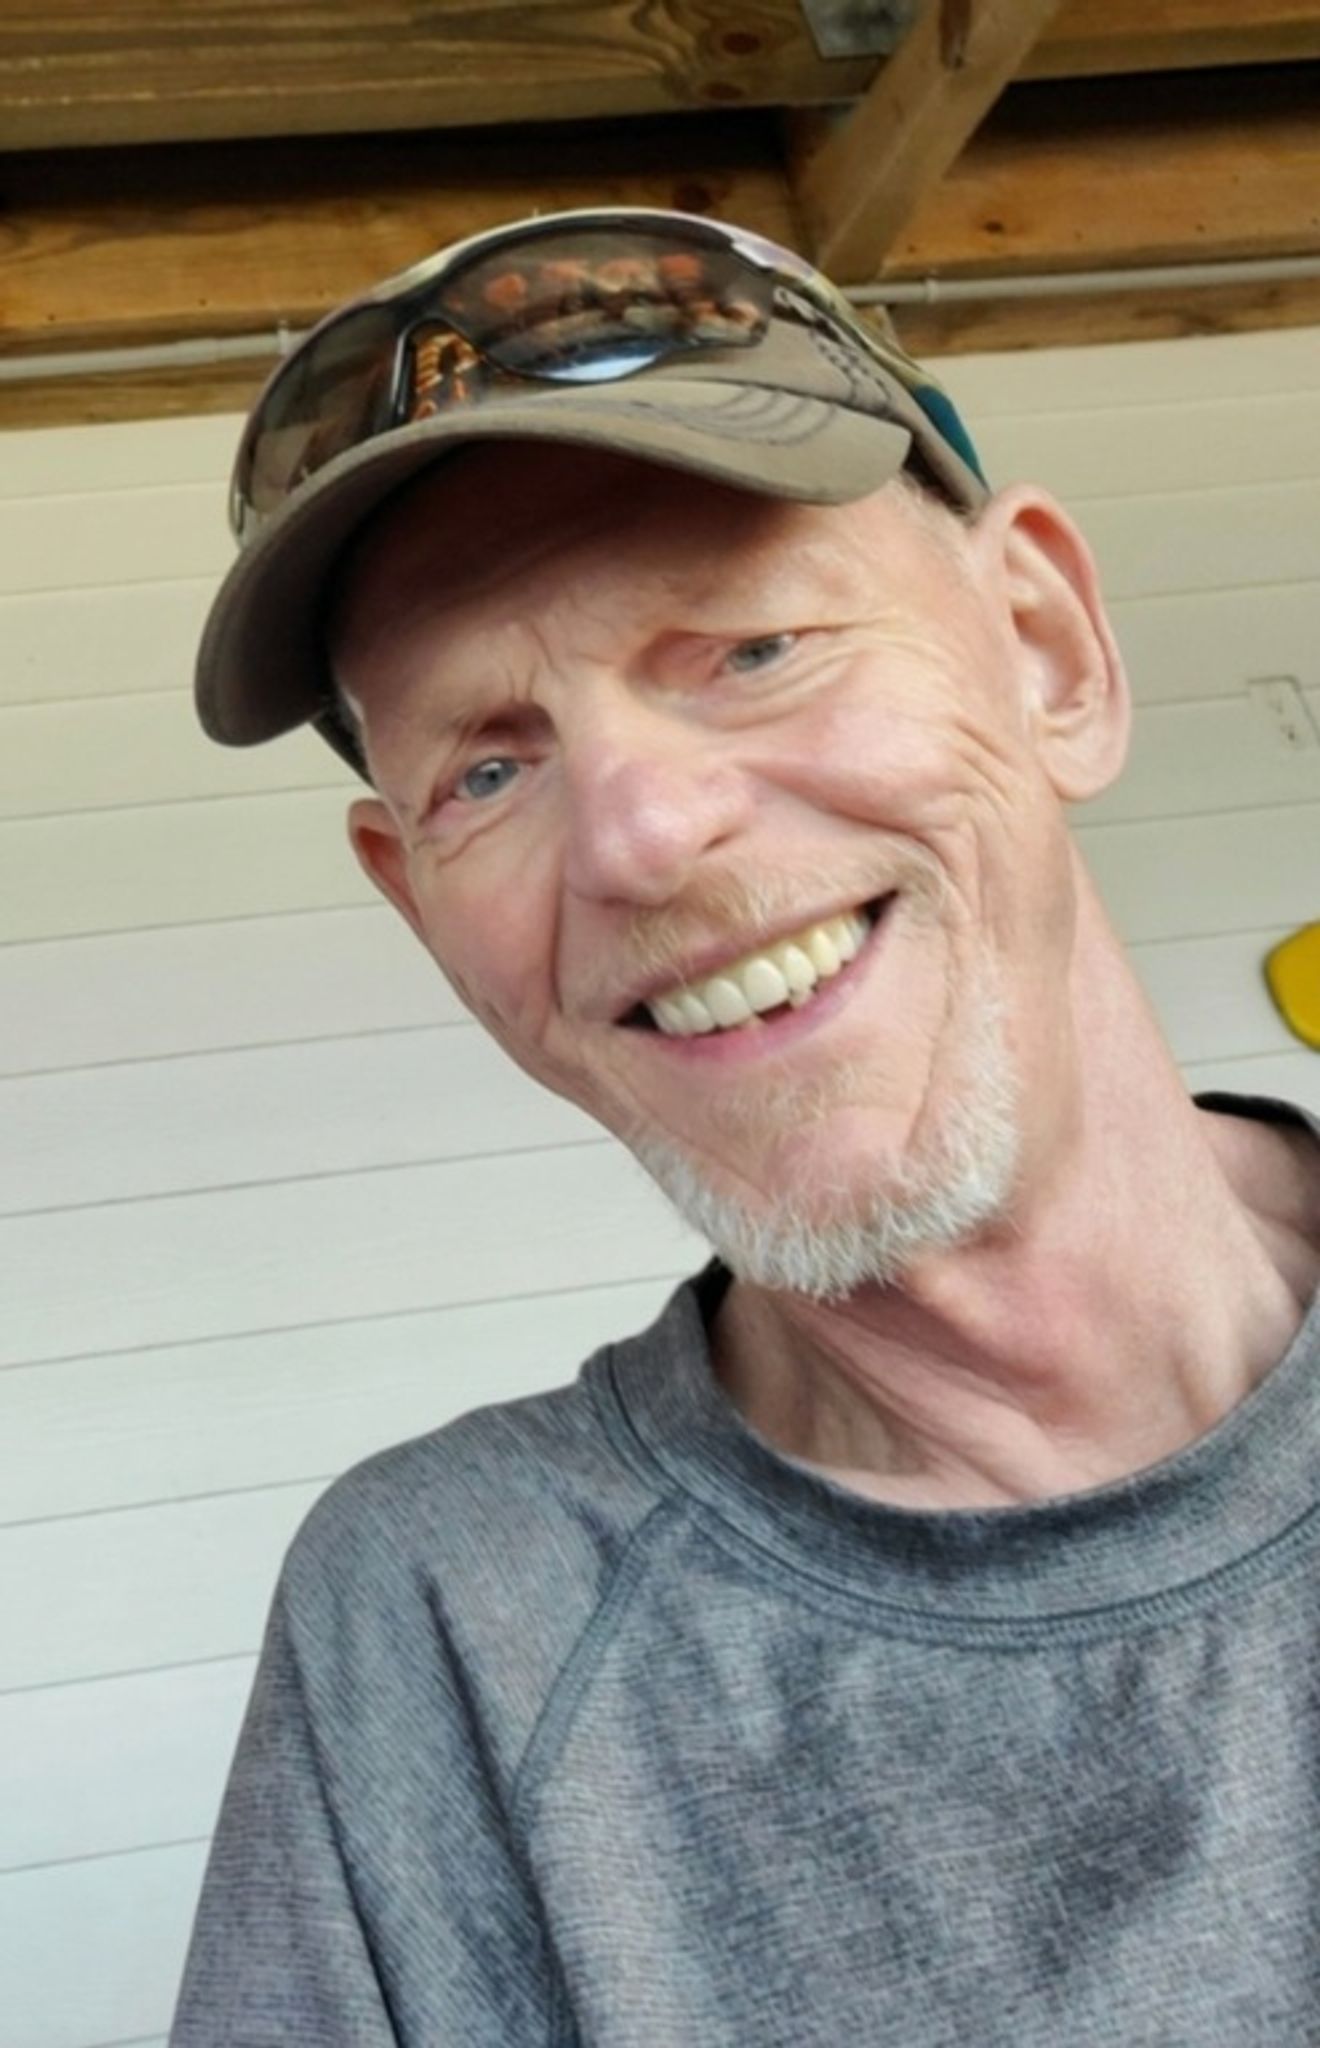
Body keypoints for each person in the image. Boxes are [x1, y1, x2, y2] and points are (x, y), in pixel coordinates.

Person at [171, 208, 1320, 2044]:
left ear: (1046, 653)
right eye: (488, 767)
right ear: (421, 909)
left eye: (755, 647)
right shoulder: (450, 1627)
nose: (639, 837)